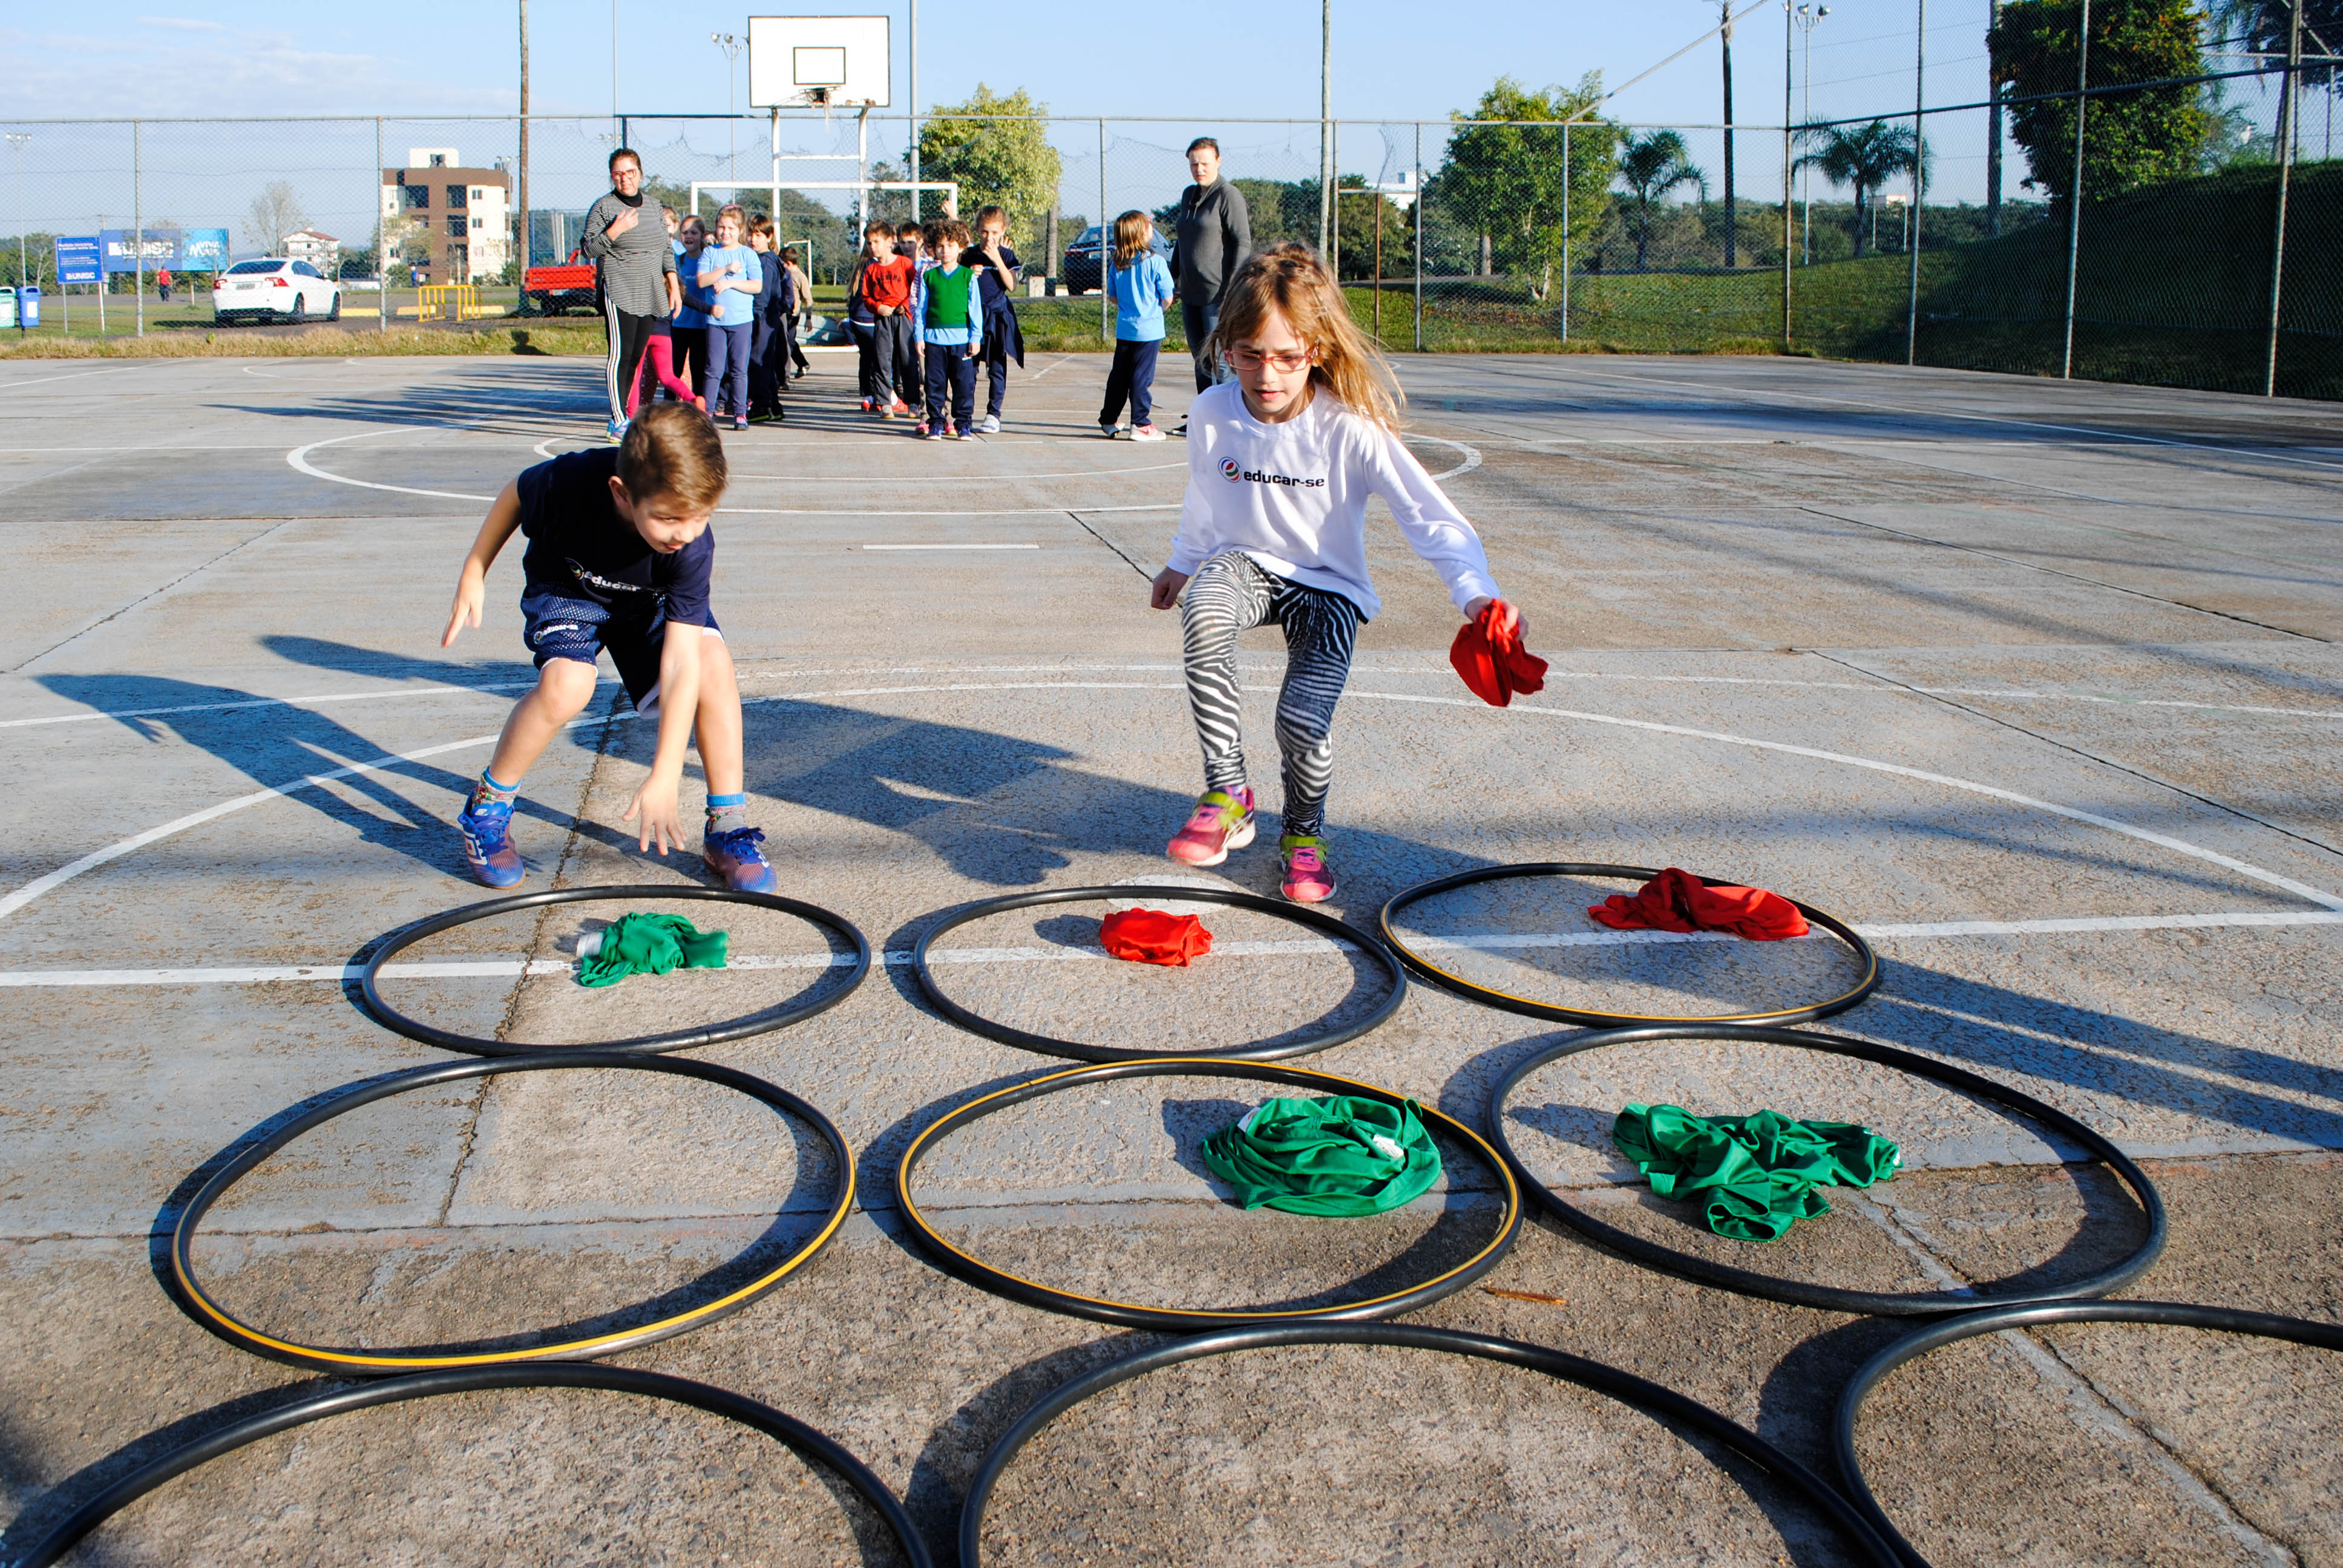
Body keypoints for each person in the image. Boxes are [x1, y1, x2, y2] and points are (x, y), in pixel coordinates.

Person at [1150, 244, 1512, 904]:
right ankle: (1228, 791)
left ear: (1315, 350)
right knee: (1202, 607)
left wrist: (1474, 594)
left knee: (1301, 724)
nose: (1266, 374)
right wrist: (1182, 560)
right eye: (1248, 354)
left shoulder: (1350, 430)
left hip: (1330, 587)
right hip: (1247, 564)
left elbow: (1429, 517)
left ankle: (1303, 835)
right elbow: (1204, 494)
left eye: (1286, 356)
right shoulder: (1210, 414)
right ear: (1224, 348)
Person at [439, 402, 775, 895]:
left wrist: (664, 773)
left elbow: (681, 663)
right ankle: (486, 809)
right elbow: (516, 492)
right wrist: (475, 567)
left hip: (647, 601)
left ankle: (727, 824)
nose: (684, 533)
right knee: (568, 686)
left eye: (700, 516)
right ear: (623, 494)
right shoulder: (574, 481)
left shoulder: (689, 548)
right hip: (570, 587)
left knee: (713, 663)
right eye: (667, 518)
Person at [582, 148, 679, 441]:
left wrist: (673, 284)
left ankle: (624, 414)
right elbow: (588, 249)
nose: (624, 178)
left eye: (629, 172)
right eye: (618, 174)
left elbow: (665, 248)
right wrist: (615, 231)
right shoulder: (603, 207)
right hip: (620, 288)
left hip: (650, 289)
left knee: (636, 356)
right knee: (620, 357)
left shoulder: (653, 206)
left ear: (640, 173)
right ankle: (618, 420)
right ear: (612, 177)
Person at [1171, 138, 1254, 418]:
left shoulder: (1228, 195)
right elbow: (1181, 243)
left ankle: (1233, 417)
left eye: (1205, 163)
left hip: (1218, 295)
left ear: (1218, 161)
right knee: (1200, 360)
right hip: (1190, 294)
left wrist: (1234, 286)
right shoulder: (1188, 195)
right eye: (1194, 163)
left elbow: (1243, 242)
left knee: (1221, 361)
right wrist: (1171, 279)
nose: (1199, 169)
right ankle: (1204, 419)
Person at [1099, 210, 1173, 442]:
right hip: (1148, 331)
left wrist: (1129, 308)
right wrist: (1156, 309)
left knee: (1119, 376)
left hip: (1125, 328)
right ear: (1142, 233)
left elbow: (1112, 296)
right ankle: (1141, 423)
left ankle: (1109, 420)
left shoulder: (1117, 265)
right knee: (1141, 377)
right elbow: (1167, 297)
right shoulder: (1157, 262)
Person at [913, 218, 983, 440]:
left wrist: (975, 337)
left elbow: (975, 310)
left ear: (961, 247)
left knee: (964, 385)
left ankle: (964, 424)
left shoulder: (968, 276)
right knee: (935, 385)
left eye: (951, 245)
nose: (946, 250)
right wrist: (919, 336)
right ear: (934, 248)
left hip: (961, 341)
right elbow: (921, 309)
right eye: (941, 246)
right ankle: (935, 423)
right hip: (934, 340)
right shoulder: (928, 276)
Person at [693, 207, 759, 431]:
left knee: (739, 369)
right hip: (715, 323)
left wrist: (732, 283)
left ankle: (740, 413)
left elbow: (756, 286)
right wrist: (725, 270)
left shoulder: (748, 254)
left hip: (741, 321)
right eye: (722, 227)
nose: (725, 232)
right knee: (713, 369)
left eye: (731, 228)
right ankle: (708, 412)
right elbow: (702, 281)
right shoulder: (710, 253)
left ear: (740, 230)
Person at [961, 206, 1024, 434]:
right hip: (972, 319)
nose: (990, 237)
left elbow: (1012, 286)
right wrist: (969, 274)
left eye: (995, 233)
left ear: (1003, 231)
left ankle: (993, 414)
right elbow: (956, 283)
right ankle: (964, 414)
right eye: (985, 232)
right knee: (968, 369)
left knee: (997, 368)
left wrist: (997, 258)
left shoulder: (1006, 255)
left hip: (997, 317)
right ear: (978, 230)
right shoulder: (968, 255)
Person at [859, 221, 917, 419]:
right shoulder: (871, 270)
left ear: (889, 242)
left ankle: (913, 402)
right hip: (883, 319)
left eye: (876, 241)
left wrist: (905, 304)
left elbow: (915, 289)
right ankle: (885, 402)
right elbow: (866, 297)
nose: (872, 246)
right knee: (882, 361)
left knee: (909, 359)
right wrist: (878, 307)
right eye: (869, 243)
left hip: (904, 318)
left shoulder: (904, 264)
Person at [746, 214, 790, 423]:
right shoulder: (771, 260)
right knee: (766, 362)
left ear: (769, 236)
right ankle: (774, 405)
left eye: (758, 235)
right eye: (751, 235)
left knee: (757, 361)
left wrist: (755, 316)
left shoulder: (766, 262)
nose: (753, 239)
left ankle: (761, 405)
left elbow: (762, 295)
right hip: (769, 316)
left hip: (762, 316)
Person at [670, 215, 712, 412]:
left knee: (699, 371)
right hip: (679, 324)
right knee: (673, 371)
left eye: (694, 233)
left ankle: (699, 408)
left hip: (702, 326)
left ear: (702, 236)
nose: (689, 236)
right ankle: (669, 409)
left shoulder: (709, 262)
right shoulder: (676, 263)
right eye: (685, 232)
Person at [782, 247, 814, 379]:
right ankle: (803, 364)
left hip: (793, 315)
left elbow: (808, 299)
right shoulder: (785, 274)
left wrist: (809, 318)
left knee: (787, 343)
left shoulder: (800, 277)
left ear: (789, 263)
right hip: (784, 312)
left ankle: (785, 374)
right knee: (788, 341)